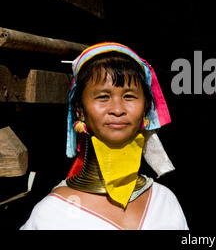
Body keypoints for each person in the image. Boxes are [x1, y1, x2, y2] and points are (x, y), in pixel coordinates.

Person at [21, 42, 188, 230]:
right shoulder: (51, 214)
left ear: (146, 108)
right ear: (79, 110)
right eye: (102, 97)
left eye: (129, 96)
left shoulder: (165, 201)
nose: (117, 109)